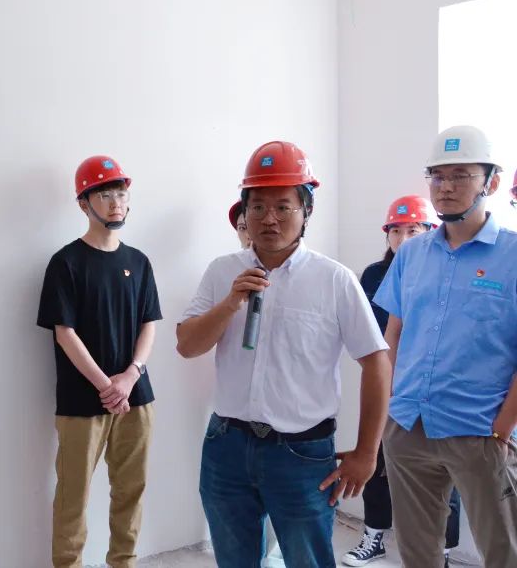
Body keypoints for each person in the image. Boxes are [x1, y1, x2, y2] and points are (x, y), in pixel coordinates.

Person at [176, 140, 390, 568]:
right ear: (245, 212)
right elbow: (187, 345)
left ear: (306, 211)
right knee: (234, 559)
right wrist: (231, 303)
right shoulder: (223, 270)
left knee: (307, 560)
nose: (269, 218)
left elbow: (376, 362)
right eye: (257, 207)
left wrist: (367, 453)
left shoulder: (335, 280)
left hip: (301, 453)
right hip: (226, 445)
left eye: (283, 207)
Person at [374, 125, 517, 568]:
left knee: (504, 552)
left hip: (479, 432)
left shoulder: (513, 256)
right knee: (418, 554)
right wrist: (389, 410)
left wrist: (501, 431)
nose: (446, 186)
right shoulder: (411, 253)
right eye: (437, 176)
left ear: (491, 182)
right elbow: (393, 335)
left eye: (460, 175)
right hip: (408, 426)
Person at [37, 155, 160, 568]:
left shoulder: (139, 262)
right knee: (73, 495)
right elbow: (64, 332)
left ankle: (123, 562)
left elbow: (149, 324)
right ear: (83, 203)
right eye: (105, 195)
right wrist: (106, 386)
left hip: (136, 398)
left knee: (131, 490)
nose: (116, 203)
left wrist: (130, 376)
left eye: (120, 194)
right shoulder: (66, 262)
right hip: (81, 402)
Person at [341, 195, 463, 566]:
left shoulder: (447, 270)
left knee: (445, 474)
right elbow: (367, 332)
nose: (403, 238)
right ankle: (373, 537)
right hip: (388, 385)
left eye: (413, 230)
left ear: (429, 231)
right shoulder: (374, 275)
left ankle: (442, 552)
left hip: (436, 390)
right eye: (396, 230)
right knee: (378, 462)